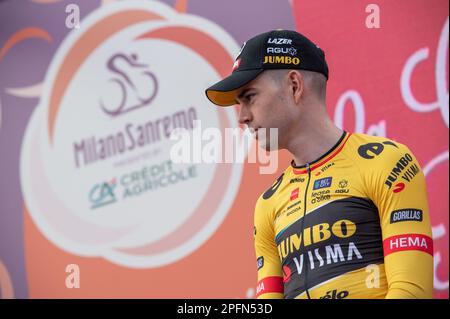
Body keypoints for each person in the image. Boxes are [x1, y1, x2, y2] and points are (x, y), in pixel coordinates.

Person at [205, 29, 433, 299]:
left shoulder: (388, 162)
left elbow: (411, 292)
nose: (242, 117)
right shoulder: (267, 205)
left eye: (249, 97)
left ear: (294, 85)